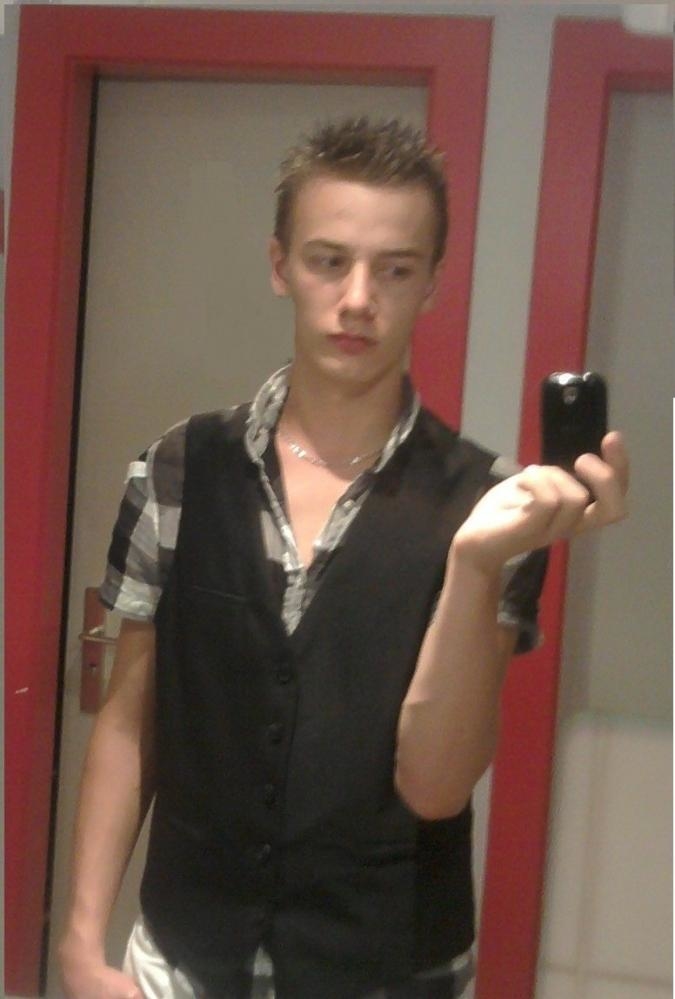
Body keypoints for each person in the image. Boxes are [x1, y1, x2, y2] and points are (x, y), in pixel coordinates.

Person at [59, 117, 628, 999]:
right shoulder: (177, 469)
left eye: (394, 269)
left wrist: (475, 566)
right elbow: (131, 722)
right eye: (329, 260)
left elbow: (435, 785)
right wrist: (80, 940)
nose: (358, 297)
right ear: (279, 264)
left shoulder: (493, 506)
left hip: (390, 969)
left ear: (432, 282)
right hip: (181, 957)